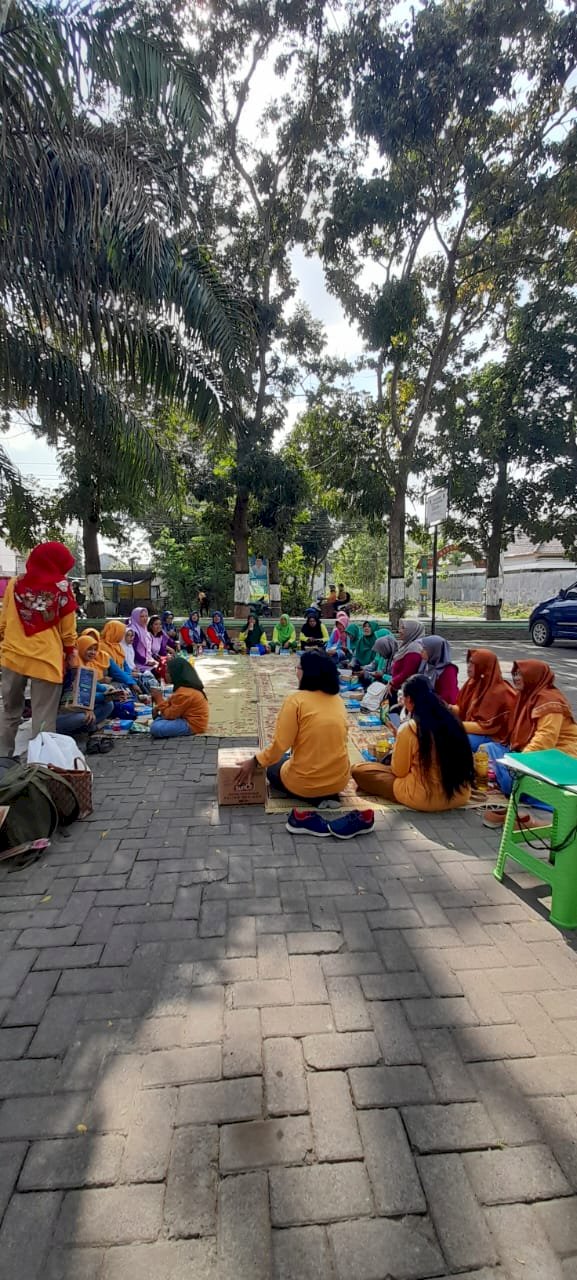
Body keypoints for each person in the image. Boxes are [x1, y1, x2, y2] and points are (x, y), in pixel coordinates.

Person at [235, 648, 350, 805]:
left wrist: (255, 761)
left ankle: (314, 797)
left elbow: (280, 746)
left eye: (298, 668)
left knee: (273, 767)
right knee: (290, 757)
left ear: (307, 673)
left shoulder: (296, 700)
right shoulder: (338, 700)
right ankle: (327, 794)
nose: (296, 671)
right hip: (339, 782)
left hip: (303, 784)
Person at [0, 541, 79, 756]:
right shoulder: (62, 587)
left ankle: (2, 763)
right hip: (46, 660)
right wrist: (71, 651)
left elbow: (4, 622)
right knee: (43, 719)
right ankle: (39, 767)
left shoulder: (15, 584)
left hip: (13, 656)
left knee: (9, 714)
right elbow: (68, 630)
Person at [352, 674, 474, 811]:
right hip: (459, 795)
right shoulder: (454, 721)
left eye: (403, 698)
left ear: (409, 699)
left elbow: (399, 771)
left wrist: (399, 740)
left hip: (423, 797)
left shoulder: (410, 728)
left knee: (359, 770)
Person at [482, 660, 577, 827]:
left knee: (514, 775)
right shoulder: (526, 696)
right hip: (532, 752)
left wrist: (519, 763)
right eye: (515, 674)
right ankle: (510, 792)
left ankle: (535, 803)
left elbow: (545, 739)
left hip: (560, 756)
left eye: (521, 674)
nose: (516, 678)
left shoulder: (550, 700)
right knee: (488, 749)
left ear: (534, 676)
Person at [454, 649, 517, 751]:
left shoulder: (499, 691)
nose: (468, 666)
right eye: (468, 662)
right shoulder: (472, 682)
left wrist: (455, 725)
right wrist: (444, 709)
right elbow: (461, 708)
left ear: (483, 666)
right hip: (471, 730)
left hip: (494, 737)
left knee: (453, 740)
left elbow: (489, 728)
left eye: (472, 663)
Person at [56, 633, 115, 738]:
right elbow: (71, 699)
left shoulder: (85, 669)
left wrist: (111, 693)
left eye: (94, 649)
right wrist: (102, 698)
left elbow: (96, 686)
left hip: (78, 709)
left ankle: (85, 727)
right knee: (82, 717)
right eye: (89, 649)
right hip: (63, 714)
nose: (93, 653)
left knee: (109, 704)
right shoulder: (69, 673)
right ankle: (85, 727)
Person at [150, 655, 209, 738]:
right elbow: (171, 703)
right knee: (159, 719)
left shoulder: (185, 693)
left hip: (193, 725)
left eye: (167, 672)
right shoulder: (184, 687)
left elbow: (169, 715)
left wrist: (159, 699)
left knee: (156, 728)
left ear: (175, 673)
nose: (165, 675)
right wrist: (157, 708)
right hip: (183, 718)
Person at [388, 619, 425, 700]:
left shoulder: (414, 647)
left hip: (405, 693)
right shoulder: (406, 645)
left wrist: (393, 682)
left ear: (412, 631)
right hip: (398, 689)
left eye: (403, 628)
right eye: (400, 628)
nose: (399, 631)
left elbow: (408, 673)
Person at [419, 635, 459, 704]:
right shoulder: (426, 664)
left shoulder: (448, 670)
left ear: (434, 650)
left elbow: (448, 697)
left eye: (425, 649)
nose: (421, 651)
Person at [130, 607, 159, 676]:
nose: (145, 618)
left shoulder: (144, 629)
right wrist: (146, 662)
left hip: (148, 660)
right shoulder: (133, 631)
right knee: (160, 672)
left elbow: (148, 650)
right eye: (142, 616)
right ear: (136, 617)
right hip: (139, 664)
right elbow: (133, 651)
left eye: (146, 616)